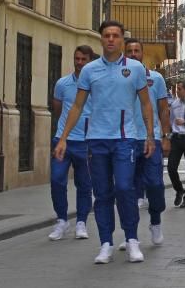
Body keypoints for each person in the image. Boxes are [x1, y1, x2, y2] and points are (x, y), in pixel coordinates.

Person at [53, 20, 155, 264]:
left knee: (124, 187)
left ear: (122, 39)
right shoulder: (90, 70)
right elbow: (77, 106)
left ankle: (131, 240)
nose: (111, 39)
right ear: (101, 39)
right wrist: (63, 138)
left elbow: (145, 103)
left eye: (115, 35)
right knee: (102, 193)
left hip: (125, 138)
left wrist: (150, 136)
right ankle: (106, 243)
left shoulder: (135, 69)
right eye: (106, 35)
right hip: (96, 140)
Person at [124, 38, 170, 248]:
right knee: (127, 189)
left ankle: (156, 221)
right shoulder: (120, 77)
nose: (133, 54)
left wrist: (166, 136)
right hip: (127, 138)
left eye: (137, 51)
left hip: (152, 139)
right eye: (130, 51)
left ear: (142, 54)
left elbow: (163, 109)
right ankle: (130, 235)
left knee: (155, 184)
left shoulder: (157, 79)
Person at [48, 45, 95, 241]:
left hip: (86, 142)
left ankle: (81, 222)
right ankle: (61, 220)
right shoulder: (62, 83)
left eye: (83, 59)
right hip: (63, 140)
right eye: (77, 59)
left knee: (84, 184)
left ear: (90, 61)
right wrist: (62, 133)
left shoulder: (96, 85)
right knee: (57, 180)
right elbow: (57, 109)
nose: (79, 63)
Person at [168, 79, 185, 208]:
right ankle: (179, 189)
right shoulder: (174, 104)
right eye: (176, 89)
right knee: (171, 167)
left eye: (180, 89)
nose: (177, 92)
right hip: (177, 139)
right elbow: (171, 121)